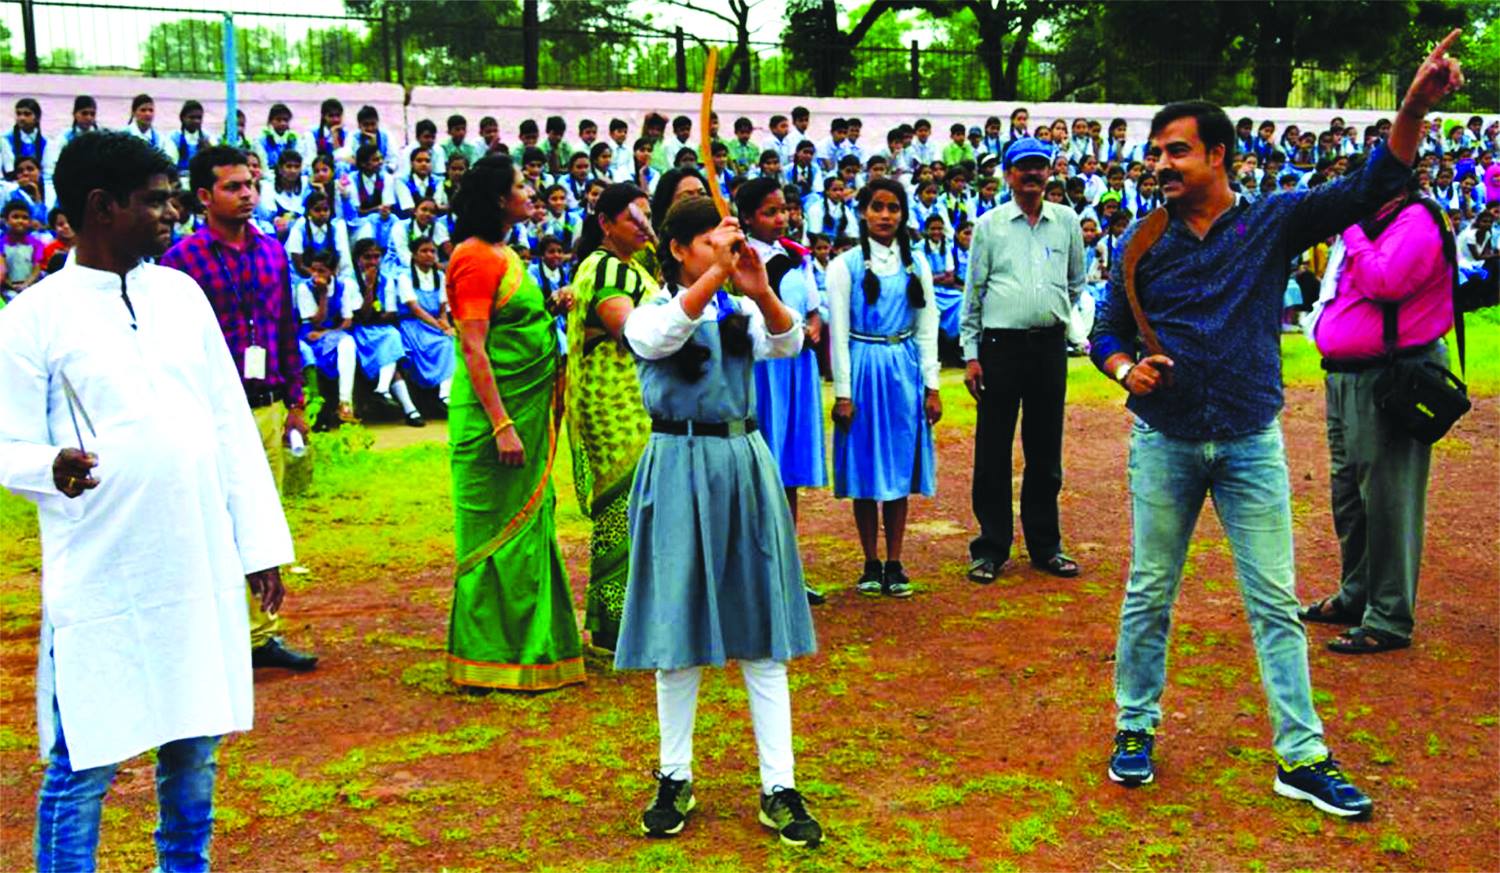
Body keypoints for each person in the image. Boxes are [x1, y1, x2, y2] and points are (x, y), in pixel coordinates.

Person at [1087, 31, 1463, 817]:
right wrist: (1127, 370)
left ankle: (1301, 753)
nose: (1160, 165)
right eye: (1156, 153)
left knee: (1274, 601)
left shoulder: (1274, 223)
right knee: (1150, 590)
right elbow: (1105, 332)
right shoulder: (1140, 243)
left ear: (1218, 156)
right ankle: (1133, 727)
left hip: (1251, 441)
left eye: (1176, 152)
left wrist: (1414, 106)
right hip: (1165, 440)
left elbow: (1374, 183)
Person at [0, 129, 293, 872]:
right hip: (103, 577)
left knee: (194, 746)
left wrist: (258, 545)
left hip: (195, 563)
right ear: (102, 207)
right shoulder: (33, 318)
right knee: (84, 759)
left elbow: (228, 422)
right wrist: (49, 463)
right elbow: (5, 443)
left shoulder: (179, 294)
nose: (172, 215)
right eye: (157, 201)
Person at [618, 195, 821, 848]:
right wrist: (716, 278)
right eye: (709, 241)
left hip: (741, 462)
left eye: (723, 240)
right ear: (679, 249)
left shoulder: (736, 309)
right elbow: (658, 337)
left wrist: (761, 292)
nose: (724, 252)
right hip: (677, 465)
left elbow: (788, 343)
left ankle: (779, 785)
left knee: (763, 632)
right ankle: (674, 775)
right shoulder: (654, 307)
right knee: (677, 632)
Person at [159, 144, 320, 672]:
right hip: (207, 407)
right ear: (204, 196)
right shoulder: (181, 260)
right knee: (207, 516)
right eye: (233, 186)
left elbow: (286, 329)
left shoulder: (272, 250)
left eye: (250, 184)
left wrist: (296, 403)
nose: (247, 194)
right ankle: (213, 631)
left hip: (267, 404)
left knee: (260, 515)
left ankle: (258, 635)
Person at [1298, 178, 1458, 653]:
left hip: (1391, 377)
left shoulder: (1418, 220)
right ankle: (1357, 594)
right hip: (1348, 374)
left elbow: (1385, 282)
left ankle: (1388, 616)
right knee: (1349, 492)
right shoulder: (1378, 222)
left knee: (1388, 496)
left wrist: (1349, 231)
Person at [445, 154, 584, 690]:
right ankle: (489, 656)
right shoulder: (475, 257)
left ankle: (533, 646)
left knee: (530, 521)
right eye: (523, 184)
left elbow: (510, 324)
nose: (532, 191)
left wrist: (551, 304)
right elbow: (475, 348)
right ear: (500, 198)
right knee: (493, 535)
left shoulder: (505, 253)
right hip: (494, 421)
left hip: (522, 411)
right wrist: (502, 423)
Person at [959, 137, 1087, 584]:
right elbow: (972, 292)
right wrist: (971, 354)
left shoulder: (1067, 222)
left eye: (1040, 167)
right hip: (999, 348)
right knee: (992, 449)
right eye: (1023, 168)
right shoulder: (989, 225)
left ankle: (1045, 545)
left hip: (1048, 348)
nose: (1032, 175)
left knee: (1045, 449)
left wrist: (1051, 317)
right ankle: (990, 548)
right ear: (1009, 175)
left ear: (1049, 173)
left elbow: (1075, 283)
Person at [827, 178, 942, 598]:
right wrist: (843, 392)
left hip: (902, 369)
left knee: (896, 466)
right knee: (864, 466)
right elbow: (838, 333)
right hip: (862, 366)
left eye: (893, 208)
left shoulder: (917, 265)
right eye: (877, 207)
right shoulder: (845, 266)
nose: (885, 216)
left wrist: (931, 385)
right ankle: (869, 560)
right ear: (862, 211)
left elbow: (926, 327)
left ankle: (895, 560)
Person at [564, 183, 656, 653]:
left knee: (634, 510)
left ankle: (622, 619)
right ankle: (614, 622)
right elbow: (632, 330)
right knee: (622, 511)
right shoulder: (604, 268)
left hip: (632, 398)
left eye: (647, 217)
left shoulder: (629, 267)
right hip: (615, 402)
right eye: (633, 218)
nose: (643, 226)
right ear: (605, 223)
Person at [735, 178, 829, 605]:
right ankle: (751, 573)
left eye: (784, 211)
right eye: (770, 212)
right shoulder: (737, 259)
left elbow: (815, 307)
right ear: (750, 217)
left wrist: (814, 325)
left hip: (796, 370)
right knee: (756, 469)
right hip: (759, 372)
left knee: (787, 470)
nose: (780, 219)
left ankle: (787, 570)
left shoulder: (799, 256)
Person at [295, 249, 360, 428]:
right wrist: (323, 296)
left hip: (330, 334)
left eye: (321, 271)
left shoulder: (342, 286)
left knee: (348, 343)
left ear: (332, 271)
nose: (316, 275)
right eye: (314, 270)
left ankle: (345, 403)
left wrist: (327, 333)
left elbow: (347, 320)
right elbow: (314, 322)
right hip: (309, 336)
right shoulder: (304, 287)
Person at [394, 236, 456, 406]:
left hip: (434, 323)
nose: (429, 255)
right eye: (424, 251)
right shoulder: (405, 276)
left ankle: (447, 391)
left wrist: (446, 325)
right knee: (444, 344)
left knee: (453, 340)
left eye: (432, 251)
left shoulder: (439, 276)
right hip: (414, 325)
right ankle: (443, 393)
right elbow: (416, 309)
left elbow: (443, 309)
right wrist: (440, 328)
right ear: (414, 254)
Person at [2, 198, 46, 300]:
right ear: (6, 220)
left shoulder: (36, 244)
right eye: (15, 217)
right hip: (7, 290)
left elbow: (37, 267)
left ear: (30, 222)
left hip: (31, 287)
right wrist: (12, 286)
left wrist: (26, 284)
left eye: (25, 218)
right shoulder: (2, 243)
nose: (20, 221)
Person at [169, 100, 214, 175]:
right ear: (182, 118)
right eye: (192, 117)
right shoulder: (174, 138)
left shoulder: (208, 138)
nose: (196, 121)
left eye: (199, 118)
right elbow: (171, 165)